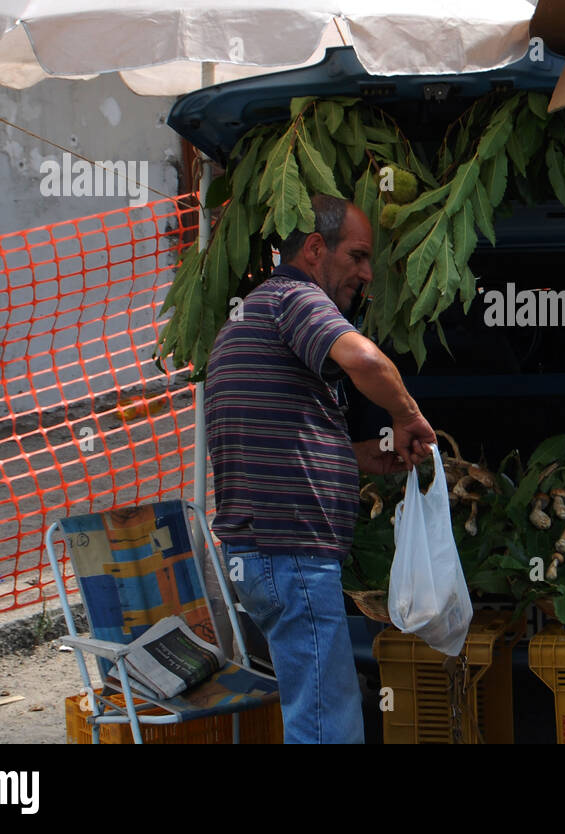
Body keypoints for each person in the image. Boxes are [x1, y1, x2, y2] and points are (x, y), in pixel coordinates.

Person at [205, 193, 435, 744]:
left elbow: (273, 436)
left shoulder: (253, 316)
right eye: (356, 255)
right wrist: (408, 417)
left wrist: (352, 456)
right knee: (327, 724)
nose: (367, 272)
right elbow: (365, 359)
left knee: (317, 709)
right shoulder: (293, 298)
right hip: (291, 556)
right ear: (314, 248)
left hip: (265, 556)